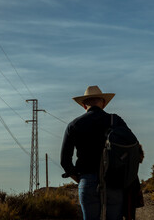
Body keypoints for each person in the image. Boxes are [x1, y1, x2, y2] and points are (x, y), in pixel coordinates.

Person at [61, 85, 135, 220]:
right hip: (114, 180)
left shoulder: (74, 125)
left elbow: (65, 161)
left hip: (87, 180)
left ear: (84, 105)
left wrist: (80, 180)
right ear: (104, 103)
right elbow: (133, 147)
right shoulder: (115, 121)